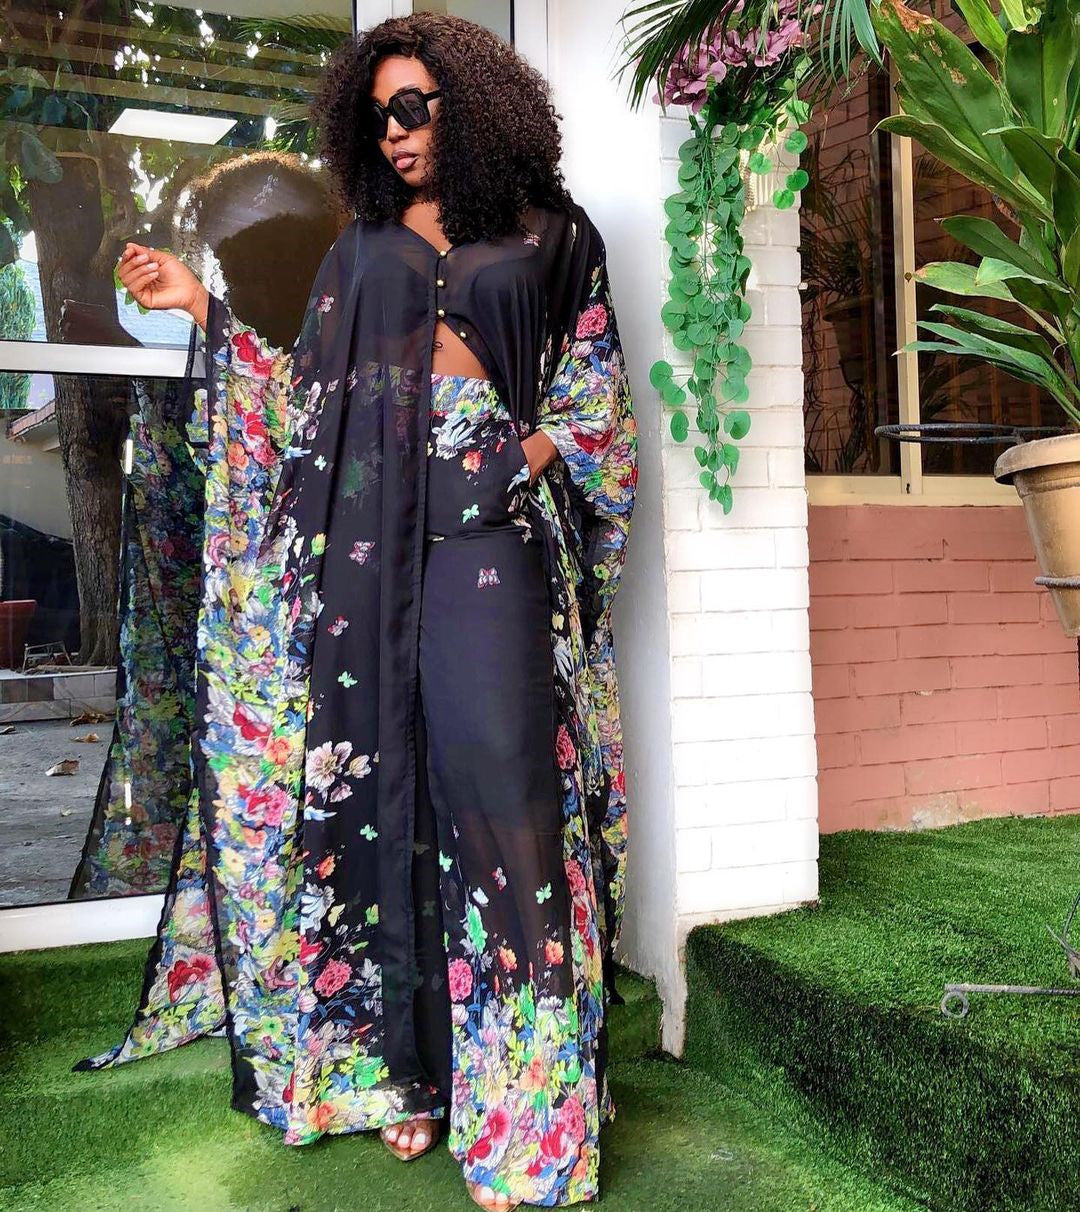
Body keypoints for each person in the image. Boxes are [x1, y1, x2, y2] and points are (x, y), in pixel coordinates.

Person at [83, 14, 637, 1210]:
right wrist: (201, 311)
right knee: (381, 808)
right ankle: (407, 1082)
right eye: (380, 112)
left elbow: (596, 391)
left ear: (473, 103)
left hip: (488, 546)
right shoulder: (361, 251)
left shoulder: (554, 234)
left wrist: (527, 450)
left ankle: (528, 1117)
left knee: (505, 806)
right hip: (367, 560)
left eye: (418, 105)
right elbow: (303, 409)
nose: (399, 131)